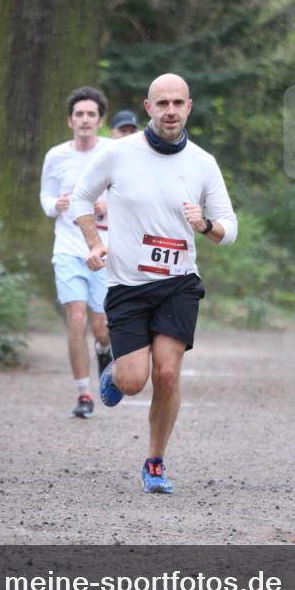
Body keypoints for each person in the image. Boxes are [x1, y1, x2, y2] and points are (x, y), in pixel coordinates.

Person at [71, 73, 237, 492]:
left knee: (166, 375)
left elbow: (230, 228)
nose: (170, 111)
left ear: (189, 107)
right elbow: (79, 198)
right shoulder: (119, 154)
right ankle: (115, 374)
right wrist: (94, 242)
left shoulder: (203, 162)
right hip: (127, 285)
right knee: (133, 380)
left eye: (178, 103)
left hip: (179, 283)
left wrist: (206, 225)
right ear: (148, 108)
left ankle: (155, 462)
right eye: (162, 103)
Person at [40, 87, 113, 419]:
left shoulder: (112, 153)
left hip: (103, 249)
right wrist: (56, 205)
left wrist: (105, 204)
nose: (85, 120)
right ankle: (84, 393)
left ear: (99, 120)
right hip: (68, 249)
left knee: (101, 326)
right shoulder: (56, 156)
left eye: (91, 115)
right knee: (76, 316)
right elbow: (45, 198)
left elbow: (129, 195)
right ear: (70, 121)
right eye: (79, 115)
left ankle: (104, 349)